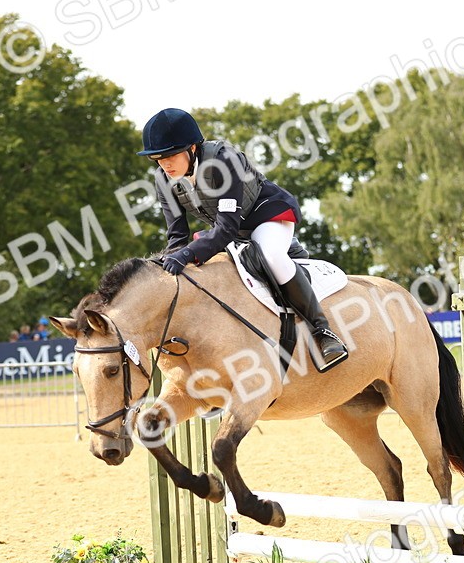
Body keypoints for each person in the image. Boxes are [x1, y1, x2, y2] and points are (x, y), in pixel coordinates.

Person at [140, 108, 348, 371]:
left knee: (271, 255)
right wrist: (171, 262)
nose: (165, 165)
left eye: (170, 156)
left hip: (267, 216)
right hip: (233, 232)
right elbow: (177, 236)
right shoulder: (164, 180)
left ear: (192, 148)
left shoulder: (224, 161)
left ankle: (322, 331)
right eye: (158, 159)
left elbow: (226, 228)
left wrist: (188, 254)